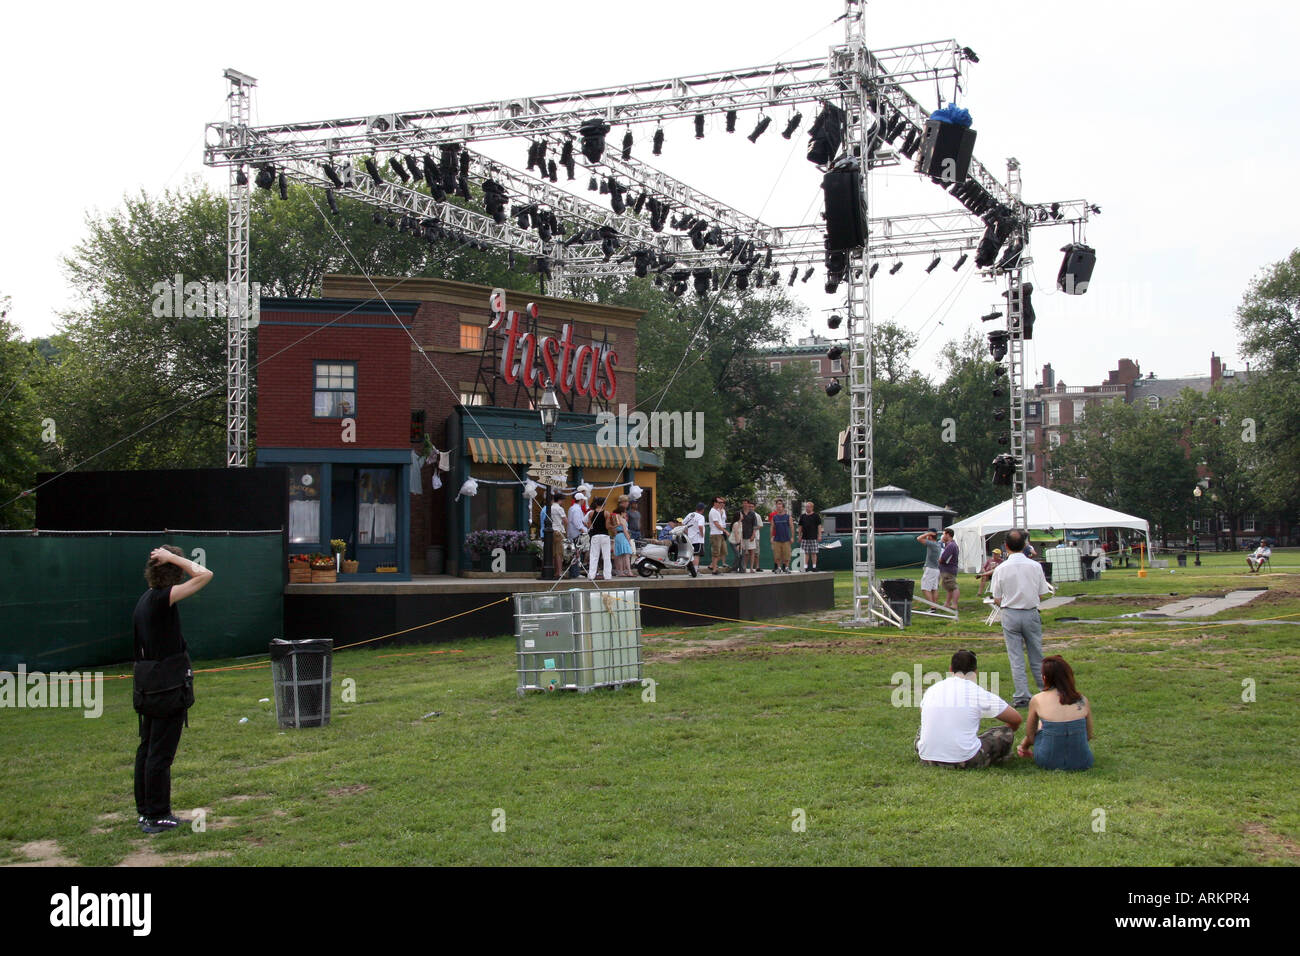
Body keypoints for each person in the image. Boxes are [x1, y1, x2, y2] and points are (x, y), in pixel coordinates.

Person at [134, 545, 213, 833]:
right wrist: (174, 559)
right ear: (174, 573)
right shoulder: (160, 599)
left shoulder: (145, 599)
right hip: (165, 688)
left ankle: (146, 812)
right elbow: (205, 574)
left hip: (148, 686)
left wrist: (167, 560)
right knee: (160, 753)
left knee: (147, 749)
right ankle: (157, 815)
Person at [916, 649, 1022, 769]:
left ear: (951, 669)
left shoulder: (933, 689)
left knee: (922, 729)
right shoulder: (978, 693)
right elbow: (1016, 719)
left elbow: (923, 712)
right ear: (975, 671)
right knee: (1005, 733)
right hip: (966, 760)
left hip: (927, 757)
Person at [989, 529, 1052, 709]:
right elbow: (1042, 593)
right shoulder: (1035, 566)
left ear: (1006, 546)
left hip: (1010, 613)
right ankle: (1046, 690)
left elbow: (997, 597)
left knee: (1016, 656)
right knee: (1037, 655)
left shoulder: (1000, 569)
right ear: (1025, 545)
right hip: (1031, 612)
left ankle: (1022, 696)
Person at [1017, 655, 1094, 770]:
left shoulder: (1037, 699)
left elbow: (1031, 735)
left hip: (1047, 762)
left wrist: (1024, 746)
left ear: (1044, 678)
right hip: (1083, 761)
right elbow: (1088, 735)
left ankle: (1022, 748)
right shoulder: (1082, 699)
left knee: (1040, 725)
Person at [586, 496, 613, 580]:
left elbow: (590, 526)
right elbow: (607, 526)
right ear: (604, 504)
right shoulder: (606, 513)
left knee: (594, 556)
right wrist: (614, 525)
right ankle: (607, 576)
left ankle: (591, 575)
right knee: (606, 556)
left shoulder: (591, 513)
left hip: (595, 536)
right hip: (604, 535)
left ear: (596, 503)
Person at [565, 492, 588, 578]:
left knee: (574, 553)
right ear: (581, 500)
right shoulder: (577, 509)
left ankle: (575, 572)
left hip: (572, 533)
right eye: (583, 500)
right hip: (576, 534)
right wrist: (583, 531)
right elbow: (577, 522)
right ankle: (575, 573)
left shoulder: (572, 508)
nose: (583, 502)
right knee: (577, 553)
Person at [916, 531, 942, 604]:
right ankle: (935, 606)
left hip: (930, 569)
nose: (926, 537)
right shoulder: (937, 544)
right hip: (936, 569)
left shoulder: (932, 544)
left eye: (928, 535)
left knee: (925, 588)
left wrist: (928, 533)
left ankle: (932, 606)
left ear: (930, 536)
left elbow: (919, 538)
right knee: (934, 589)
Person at [938, 527, 960, 609]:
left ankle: (954, 604)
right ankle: (947, 603)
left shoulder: (951, 545)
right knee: (949, 587)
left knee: (953, 587)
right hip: (948, 569)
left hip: (948, 570)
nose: (942, 536)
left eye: (943, 534)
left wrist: (939, 560)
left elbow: (943, 558)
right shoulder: (951, 545)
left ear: (947, 534)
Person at [798, 501, 823, 572]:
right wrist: (799, 536)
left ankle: (814, 567)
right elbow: (800, 527)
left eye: (808, 507)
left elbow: (819, 526)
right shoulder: (802, 516)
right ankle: (805, 567)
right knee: (805, 553)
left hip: (813, 537)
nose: (807, 508)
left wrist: (819, 535)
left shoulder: (816, 516)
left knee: (813, 553)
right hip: (804, 537)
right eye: (806, 507)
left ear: (812, 507)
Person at [682, 502, 707, 571]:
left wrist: (687, 532)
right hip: (698, 539)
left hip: (690, 539)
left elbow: (682, 524)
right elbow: (700, 526)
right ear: (702, 509)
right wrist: (702, 534)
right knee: (696, 555)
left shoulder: (690, 514)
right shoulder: (701, 517)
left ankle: (690, 571)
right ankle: (695, 571)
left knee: (691, 555)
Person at [611, 499, 634, 576]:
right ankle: (629, 571)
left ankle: (620, 572)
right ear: (622, 512)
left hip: (617, 536)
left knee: (620, 555)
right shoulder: (623, 520)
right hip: (623, 536)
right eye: (625, 512)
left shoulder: (615, 520)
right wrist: (629, 540)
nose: (626, 513)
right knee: (627, 555)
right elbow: (625, 531)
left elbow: (613, 529)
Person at [770, 499, 793, 573]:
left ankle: (786, 567)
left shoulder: (788, 517)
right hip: (777, 539)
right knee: (777, 555)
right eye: (777, 505)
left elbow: (792, 527)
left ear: (783, 507)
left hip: (786, 539)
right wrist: (771, 537)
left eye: (780, 505)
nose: (778, 506)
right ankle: (779, 568)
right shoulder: (774, 517)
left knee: (787, 555)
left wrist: (792, 537)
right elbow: (772, 527)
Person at [707, 495, 728, 574]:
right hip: (716, 534)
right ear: (714, 503)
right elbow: (716, 524)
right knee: (716, 553)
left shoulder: (718, 511)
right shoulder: (713, 511)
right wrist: (725, 531)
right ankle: (714, 569)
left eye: (722, 502)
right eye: (719, 502)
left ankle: (712, 566)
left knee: (723, 551)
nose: (721, 504)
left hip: (720, 533)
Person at [740, 499, 762, 572]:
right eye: (744, 503)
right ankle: (744, 567)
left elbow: (755, 525)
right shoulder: (740, 513)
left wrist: (753, 535)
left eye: (746, 503)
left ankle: (752, 568)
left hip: (750, 535)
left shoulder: (752, 514)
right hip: (742, 536)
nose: (745, 505)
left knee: (752, 552)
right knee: (744, 553)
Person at [548, 493, 566, 579]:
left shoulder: (550, 508)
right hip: (559, 532)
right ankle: (559, 572)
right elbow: (566, 521)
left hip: (552, 531)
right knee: (559, 553)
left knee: (553, 553)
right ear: (560, 500)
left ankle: (554, 572)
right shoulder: (559, 508)